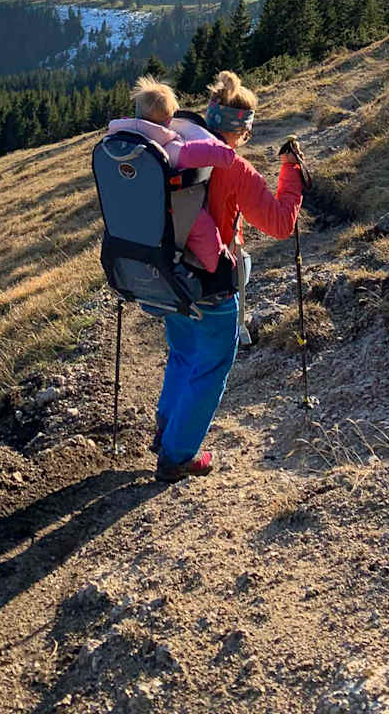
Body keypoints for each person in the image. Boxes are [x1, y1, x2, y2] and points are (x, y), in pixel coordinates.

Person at [153, 70, 306, 482]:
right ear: (242, 128)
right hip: (210, 281)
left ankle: (166, 432)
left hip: (170, 274)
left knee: (183, 354)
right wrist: (291, 174)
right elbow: (280, 222)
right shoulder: (233, 166)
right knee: (213, 363)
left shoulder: (176, 146)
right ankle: (178, 456)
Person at [107, 76, 232, 272]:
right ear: (169, 120)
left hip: (131, 210)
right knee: (202, 227)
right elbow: (201, 153)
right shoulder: (168, 148)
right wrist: (227, 154)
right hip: (170, 211)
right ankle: (217, 267)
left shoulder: (117, 141)